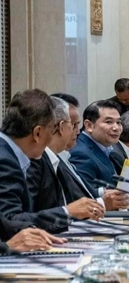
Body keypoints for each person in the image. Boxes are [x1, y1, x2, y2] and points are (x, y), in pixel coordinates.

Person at [0, 89, 103, 231]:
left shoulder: (9, 152)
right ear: (37, 133)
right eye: (51, 131)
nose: (51, 139)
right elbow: (10, 220)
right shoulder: (5, 160)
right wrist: (67, 212)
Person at [69, 100, 125, 197]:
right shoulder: (80, 153)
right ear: (89, 125)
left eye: (119, 122)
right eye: (109, 122)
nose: (116, 128)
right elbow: (84, 194)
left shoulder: (110, 149)